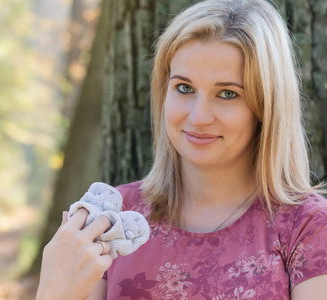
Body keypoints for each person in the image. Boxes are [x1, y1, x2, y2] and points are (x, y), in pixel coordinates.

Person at [36, 0, 327, 299]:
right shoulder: (112, 219)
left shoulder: (308, 226)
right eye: (184, 88)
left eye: (227, 94)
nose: (199, 117)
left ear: (266, 105)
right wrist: (54, 289)